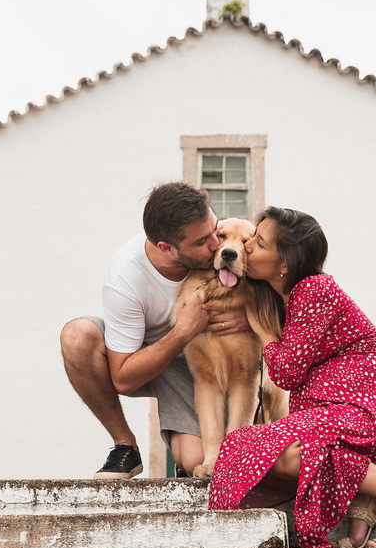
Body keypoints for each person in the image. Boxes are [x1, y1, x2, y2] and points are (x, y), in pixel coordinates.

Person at [207, 206, 376, 548]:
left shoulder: (314, 290)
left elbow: (286, 373)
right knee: (272, 453)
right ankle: (366, 496)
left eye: (259, 243)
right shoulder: (290, 297)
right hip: (346, 422)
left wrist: (264, 332)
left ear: (285, 263)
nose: (247, 247)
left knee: (249, 445)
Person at [60, 182, 252, 478]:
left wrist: (248, 315)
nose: (216, 244)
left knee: (198, 462)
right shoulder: (126, 277)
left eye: (216, 229)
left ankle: (187, 448)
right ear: (166, 247)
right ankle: (125, 446)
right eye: (203, 241)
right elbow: (123, 379)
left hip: (202, 358)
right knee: (77, 336)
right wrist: (182, 332)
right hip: (149, 355)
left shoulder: (213, 236)